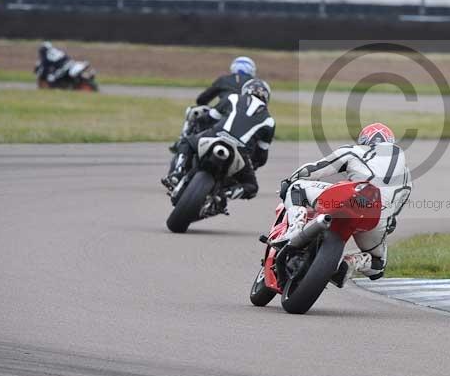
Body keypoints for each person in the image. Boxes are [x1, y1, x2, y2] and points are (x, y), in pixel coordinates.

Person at [277, 123, 412, 286]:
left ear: (364, 141)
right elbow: (395, 213)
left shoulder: (355, 150)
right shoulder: (407, 177)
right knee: (378, 265)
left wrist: (290, 179)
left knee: (296, 186)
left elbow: (316, 169)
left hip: (351, 198)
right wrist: (387, 223)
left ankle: (294, 230)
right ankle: (350, 263)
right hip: (376, 216)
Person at [164, 78, 275, 207]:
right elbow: (261, 157)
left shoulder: (233, 98)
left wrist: (199, 125)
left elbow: (208, 118)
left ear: (245, 90)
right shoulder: (270, 121)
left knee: (186, 143)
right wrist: (250, 165)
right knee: (252, 187)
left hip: (215, 137)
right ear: (267, 98)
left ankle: (177, 174)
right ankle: (224, 194)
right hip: (239, 152)